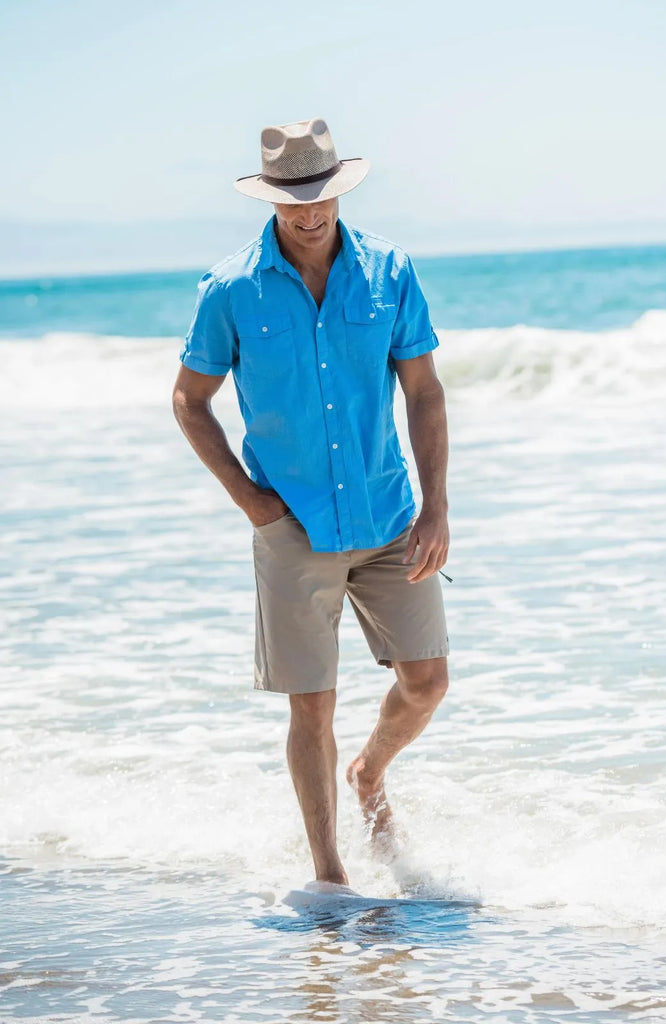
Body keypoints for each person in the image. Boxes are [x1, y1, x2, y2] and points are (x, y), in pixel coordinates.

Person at [172, 118, 450, 888]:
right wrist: (251, 502)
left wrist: (437, 507)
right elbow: (190, 401)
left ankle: (370, 773)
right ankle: (331, 875)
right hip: (291, 523)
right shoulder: (230, 289)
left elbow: (424, 390)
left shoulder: (389, 270)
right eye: (294, 198)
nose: (309, 211)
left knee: (427, 682)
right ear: (270, 197)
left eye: (320, 193)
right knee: (311, 709)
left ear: (338, 188)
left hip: (390, 513)